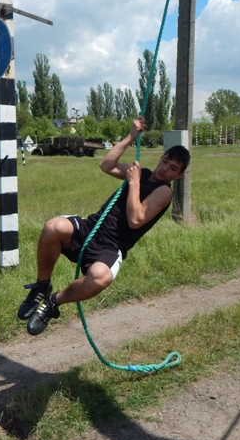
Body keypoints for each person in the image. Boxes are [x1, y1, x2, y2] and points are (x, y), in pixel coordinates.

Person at [17, 116, 191, 336]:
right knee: (53, 226)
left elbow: (135, 219)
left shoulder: (164, 192)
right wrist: (130, 137)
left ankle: (53, 302)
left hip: (111, 246)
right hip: (92, 227)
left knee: (101, 277)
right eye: (165, 160)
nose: (165, 168)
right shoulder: (143, 172)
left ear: (179, 175)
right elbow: (106, 165)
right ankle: (42, 286)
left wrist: (134, 182)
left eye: (173, 168)